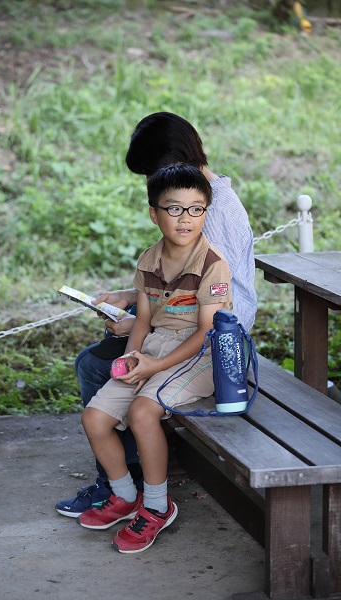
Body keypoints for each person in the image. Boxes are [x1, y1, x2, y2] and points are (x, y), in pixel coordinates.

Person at [55, 111, 256, 518]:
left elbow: (224, 297)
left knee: (96, 367)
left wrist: (141, 324)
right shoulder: (191, 199)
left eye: (151, 171)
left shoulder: (215, 209)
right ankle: (124, 483)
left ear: (174, 161)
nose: (150, 182)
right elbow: (180, 278)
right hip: (177, 323)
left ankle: (130, 484)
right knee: (95, 363)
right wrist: (134, 296)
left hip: (214, 335)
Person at [77, 163, 233, 553]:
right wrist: (133, 356)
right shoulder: (149, 260)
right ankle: (125, 495)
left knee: (144, 412)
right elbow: (143, 319)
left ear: (206, 212)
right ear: (154, 213)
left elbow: (203, 332)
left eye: (196, 208)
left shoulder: (213, 264)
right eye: (174, 208)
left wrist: (154, 367)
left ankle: (157, 505)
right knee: (94, 418)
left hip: (199, 355)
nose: (186, 218)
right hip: (154, 346)